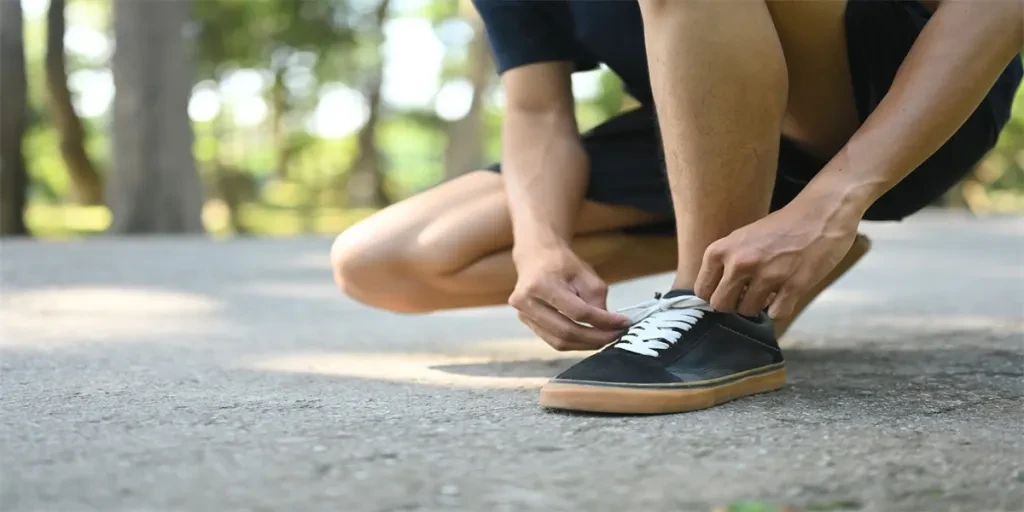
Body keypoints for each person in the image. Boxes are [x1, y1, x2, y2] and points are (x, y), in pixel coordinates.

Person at [331, 0, 1022, 414]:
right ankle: (745, 264)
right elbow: (539, 110)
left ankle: (715, 311)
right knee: (384, 262)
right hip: (719, 123)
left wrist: (834, 201)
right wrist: (537, 246)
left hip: (900, 107)